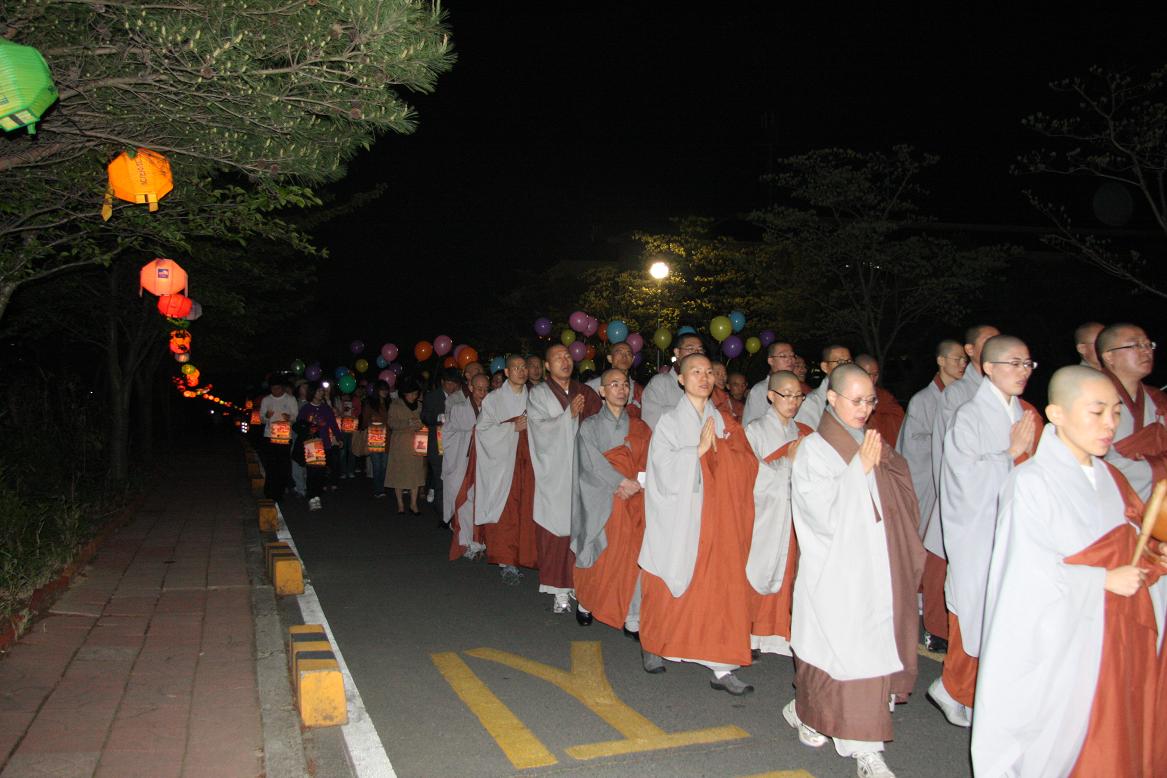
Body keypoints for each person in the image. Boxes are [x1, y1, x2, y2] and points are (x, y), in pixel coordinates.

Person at [972, 366, 1161, 777]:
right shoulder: (1030, 482)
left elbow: (1135, 544)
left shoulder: (1112, 478)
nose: (1110, 424)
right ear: (1056, 414)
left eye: (1115, 412)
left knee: (1119, 734)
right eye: (1097, 412)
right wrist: (1101, 580)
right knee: (1074, 744)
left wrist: (1154, 559)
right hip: (1067, 643)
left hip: (1117, 633)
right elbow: (1024, 576)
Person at [783, 364, 924, 778]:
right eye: (856, 400)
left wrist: (878, 467)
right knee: (838, 652)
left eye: (870, 400)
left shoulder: (870, 441)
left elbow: (897, 495)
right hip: (837, 574)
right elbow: (819, 515)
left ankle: (860, 744)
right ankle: (827, 725)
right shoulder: (814, 450)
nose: (865, 409)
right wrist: (857, 473)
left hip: (876, 567)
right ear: (831, 398)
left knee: (864, 657)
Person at [929, 335, 1041, 728]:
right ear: (989, 368)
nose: (1023, 371)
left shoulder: (1026, 413)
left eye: (1028, 364)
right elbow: (962, 477)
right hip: (979, 535)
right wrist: (1009, 455)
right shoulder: (970, 415)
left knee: (1007, 618)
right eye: (1014, 363)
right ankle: (957, 688)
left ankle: (983, 694)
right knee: (976, 614)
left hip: (1019, 533)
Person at [638, 353, 759, 695]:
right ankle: (655, 643)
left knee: (719, 590)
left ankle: (722, 666)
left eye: (709, 372)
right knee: (667, 579)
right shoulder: (669, 422)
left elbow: (747, 462)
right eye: (695, 372)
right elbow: (661, 468)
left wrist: (723, 453)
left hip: (717, 517)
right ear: (681, 378)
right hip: (682, 516)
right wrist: (697, 452)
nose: (704, 378)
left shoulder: (724, 420)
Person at [894, 339, 966, 651]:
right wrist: (945, 444)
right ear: (940, 361)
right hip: (929, 481)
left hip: (954, 482)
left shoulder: (965, 396)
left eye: (964, 360)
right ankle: (924, 614)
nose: (962, 364)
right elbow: (913, 445)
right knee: (926, 546)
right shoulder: (924, 399)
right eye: (956, 358)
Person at [572, 368, 651, 633]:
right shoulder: (590, 426)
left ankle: (633, 613)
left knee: (634, 555)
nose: (621, 389)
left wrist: (637, 484)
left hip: (634, 499)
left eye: (625, 384)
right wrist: (620, 482)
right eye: (614, 384)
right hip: (602, 499)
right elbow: (590, 463)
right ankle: (587, 600)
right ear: (602, 391)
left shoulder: (640, 427)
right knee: (601, 553)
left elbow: (650, 462)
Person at [527, 344, 602, 612]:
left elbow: (600, 425)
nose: (565, 361)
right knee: (555, 532)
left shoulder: (586, 392)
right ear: (547, 366)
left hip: (583, 472)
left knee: (584, 531)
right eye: (558, 358)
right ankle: (558, 589)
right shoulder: (539, 394)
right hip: (555, 474)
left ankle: (580, 585)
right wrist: (567, 417)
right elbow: (539, 430)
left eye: (568, 356)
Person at [744, 370, 811, 657]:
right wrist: (787, 464)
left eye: (798, 396)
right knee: (760, 569)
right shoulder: (754, 431)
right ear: (771, 396)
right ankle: (752, 635)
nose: (793, 401)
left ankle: (780, 635)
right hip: (766, 515)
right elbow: (751, 475)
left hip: (794, 513)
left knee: (789, 572)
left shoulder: (803, 432)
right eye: (787, 395)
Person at [475, 355, 537, 584]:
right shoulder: (494, 399)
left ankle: (525, 555)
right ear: (507, 372)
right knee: (507, 510)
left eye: (524, 367)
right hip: (503, 464)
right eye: (515, 368)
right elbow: (482, 430)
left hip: (529, 462)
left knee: (527, 509)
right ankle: (506, 561)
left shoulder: (536, 397)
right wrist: (511, 428)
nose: (521, 371)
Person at [1098, 323, 1166, 500]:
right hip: (1113, 502)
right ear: (1109, 356)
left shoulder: (1157, 398)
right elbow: (1097, 465)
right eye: (1136, 345)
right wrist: (1159, 466)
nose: (1146, 351)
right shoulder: (1091, 398)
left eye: (1148, 344)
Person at [446, 373, 489, 560]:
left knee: (483, 502)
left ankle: (482, 541)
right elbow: (455, 432)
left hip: (485, 463)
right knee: (465, 503)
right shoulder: (458, 409)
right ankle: (467, 543)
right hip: (464, 462)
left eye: (486, 389)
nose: (483, 393)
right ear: (470, 388)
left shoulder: (492, 408)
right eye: (479, 389)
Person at [640, 333, 706, 429]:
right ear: (677, 352)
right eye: (690, 349)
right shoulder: (660, 383)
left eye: (700, 350)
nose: (696, 353)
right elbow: (651, 421)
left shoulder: (705, 384)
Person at [296, 383, 342, 511]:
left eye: (322, 391)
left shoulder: (326, 408)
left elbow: (333, 424)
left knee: (321, 472)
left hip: (325, 443)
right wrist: (309, 428)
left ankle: (317, 495)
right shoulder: (306, 408)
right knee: (312, 472)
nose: (321, 393)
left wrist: (339, 438)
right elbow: (299, 425)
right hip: (311, 444)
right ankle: (312, 497)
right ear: (312, 393)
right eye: (319, 391)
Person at [385, 377, 427, 515]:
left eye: (416, 394)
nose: (414, 396)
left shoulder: (420, 405)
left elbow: (425, 420)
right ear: (404, 393)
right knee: (399, 473)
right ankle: (400, 504)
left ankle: (414, 504)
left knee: (416, 473)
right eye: (412, 393)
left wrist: (421, 424)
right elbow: (391, 423)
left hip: (417, 443)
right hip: (400, 444)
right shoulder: (395, 404)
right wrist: (406, 423)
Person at [422, 368, 462, 509]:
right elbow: (424, 416)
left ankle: (451, 509)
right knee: (440, 479)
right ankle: (442, 512)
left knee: (453, 480)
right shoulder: (432, 397)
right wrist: (437, 417)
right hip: (437, 445)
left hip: (456, 445)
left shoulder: (460, 397)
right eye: (449, 383)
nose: (452, 387)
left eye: (455, 383)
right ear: (442, 382)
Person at [793, 344, 852, 428]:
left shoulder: (856, 397)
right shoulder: (810, 405)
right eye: (840, 362)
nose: (846, 367)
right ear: (825, 367)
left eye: (849, 362)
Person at [259, 381, 298, 501]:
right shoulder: (266, 400)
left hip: (284, 436)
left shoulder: (290, 399)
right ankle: (269, 491)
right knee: (271, 464)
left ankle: (280, 492)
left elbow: (295, 416)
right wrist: (267, 416)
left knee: (283, 465)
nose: (275, 391)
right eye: (273, 388)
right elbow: (261, 418)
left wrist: (289, 417)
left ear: (282, 388)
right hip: (269, 436)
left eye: (278, 388)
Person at [743, 342, 797, 425]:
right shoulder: (760, 390)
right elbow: (751, 426)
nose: (790, 360)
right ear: (771, 361)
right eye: (783, 356)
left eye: (792, 355)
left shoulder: (797, 389)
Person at [854, 354, 904, 444]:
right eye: (868, 374)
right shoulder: (847, 396)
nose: (872, 379)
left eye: (875, 375)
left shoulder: (884, 396)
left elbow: (899, 417)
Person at [587, 342, 644, 418]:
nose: (624, 356)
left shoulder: (638, 391)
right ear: (610, 358)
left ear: (633, 359)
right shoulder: (591, 387)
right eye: (619, 352)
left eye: (628, 353)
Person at [360, 381, 392, 498]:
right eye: (382, 389)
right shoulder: (370, 403)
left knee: (384, 465)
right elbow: (364, 421)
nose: (385, 391)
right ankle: (378, 489)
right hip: (375, 436)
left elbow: (393, 420)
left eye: (386, 389)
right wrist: (372, 421)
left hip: (387, 437)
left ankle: (381, 487)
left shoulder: (390, 403)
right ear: (377, 390)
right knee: (377, 465)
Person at [333, 389, 361, 479]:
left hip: (353, 426)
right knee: (342, 450)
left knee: (352, 449)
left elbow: (359, 411)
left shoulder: (355, 399)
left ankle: (351, 470)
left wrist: (353, 412)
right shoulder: (338, 399)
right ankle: (343, 471)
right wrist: (342, 412)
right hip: (342, 427)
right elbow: (336, 413)